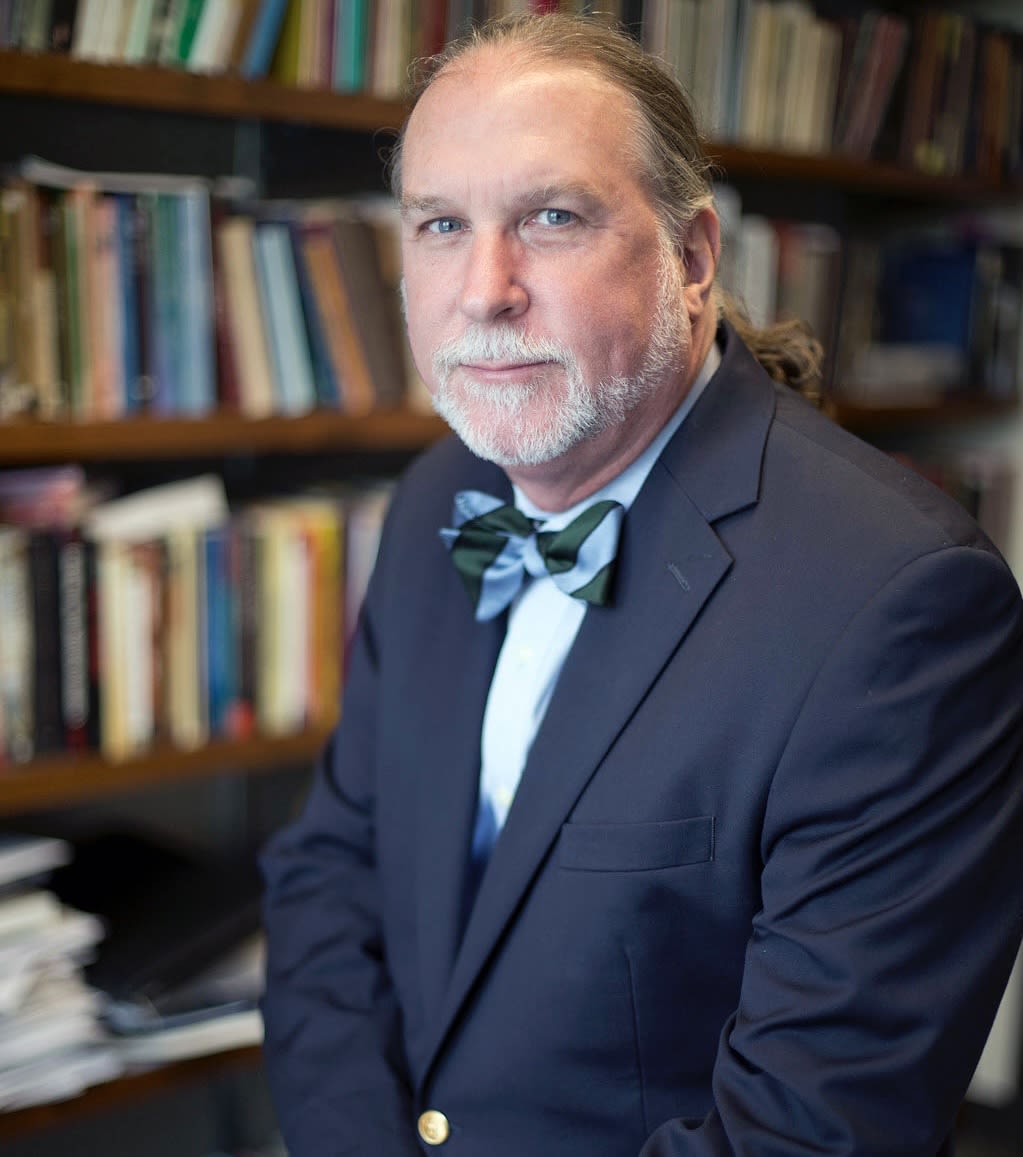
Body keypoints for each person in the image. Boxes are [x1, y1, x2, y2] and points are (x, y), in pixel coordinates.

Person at [259, 14, 1023, 1155]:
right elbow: (329, 880)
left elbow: (811, 1129)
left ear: (695, 256)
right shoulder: (435, 499)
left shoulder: (905, 603)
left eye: (552, 217)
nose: (485, 289)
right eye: (440, 224)